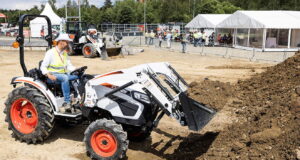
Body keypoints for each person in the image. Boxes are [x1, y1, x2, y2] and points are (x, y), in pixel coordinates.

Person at [40, 34, 78, 113]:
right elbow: (43, 67)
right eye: (66, 42)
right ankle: (67, 102)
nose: (67, 44)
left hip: (63, 74)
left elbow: (69, 66)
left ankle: (77, 98)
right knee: (65, 78)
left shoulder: (64, 53)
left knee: (78, 76)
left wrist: (76, 69)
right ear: (61, 42)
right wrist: (49, 75)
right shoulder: (50, 53)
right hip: (52, 76)